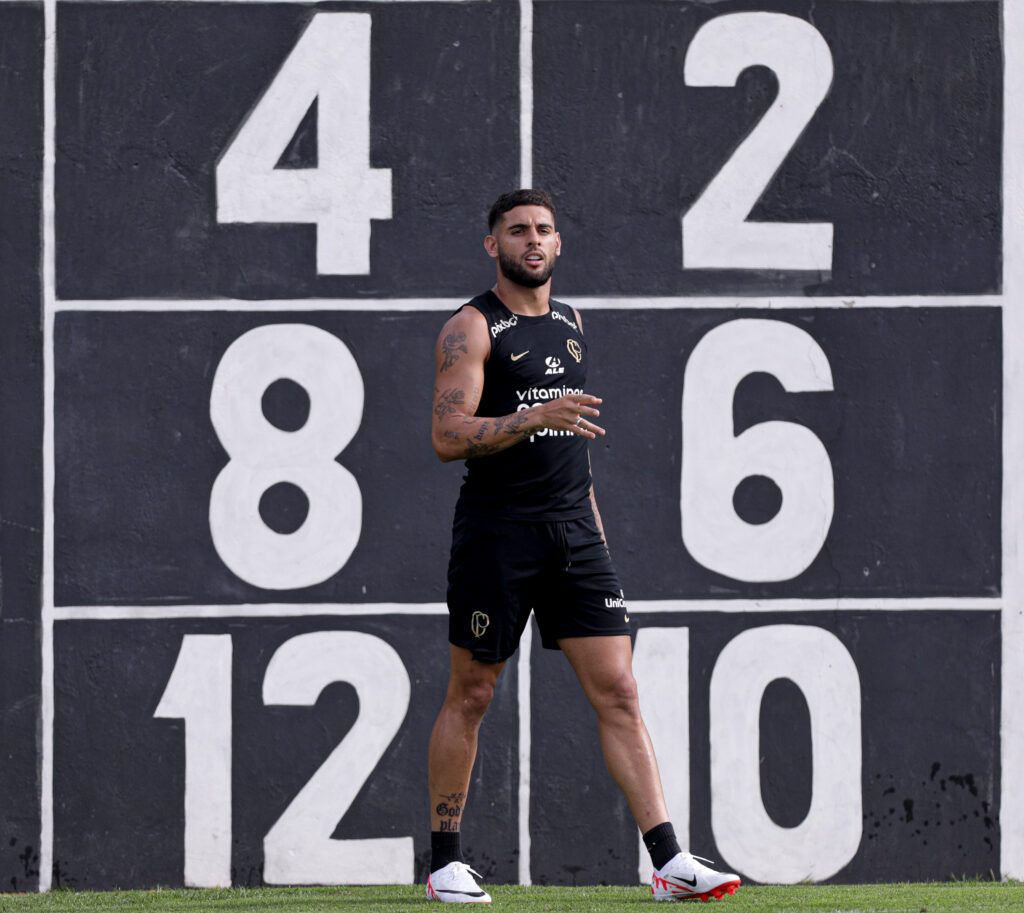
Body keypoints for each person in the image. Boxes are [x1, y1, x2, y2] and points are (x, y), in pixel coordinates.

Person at [425, 190, 741, 904]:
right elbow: (447, 435)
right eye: (517, 231)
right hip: (498, 535)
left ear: (559, 243)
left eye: (543, 230)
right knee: (473, 692)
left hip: (574, 536)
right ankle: (445, 862)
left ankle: (669, 863)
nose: (532, 241)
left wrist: (593, 532)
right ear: (493, 245)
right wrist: (534, 413)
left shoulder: (571, 322)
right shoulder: (472, 327)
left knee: (620, 691)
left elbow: (573, 445)